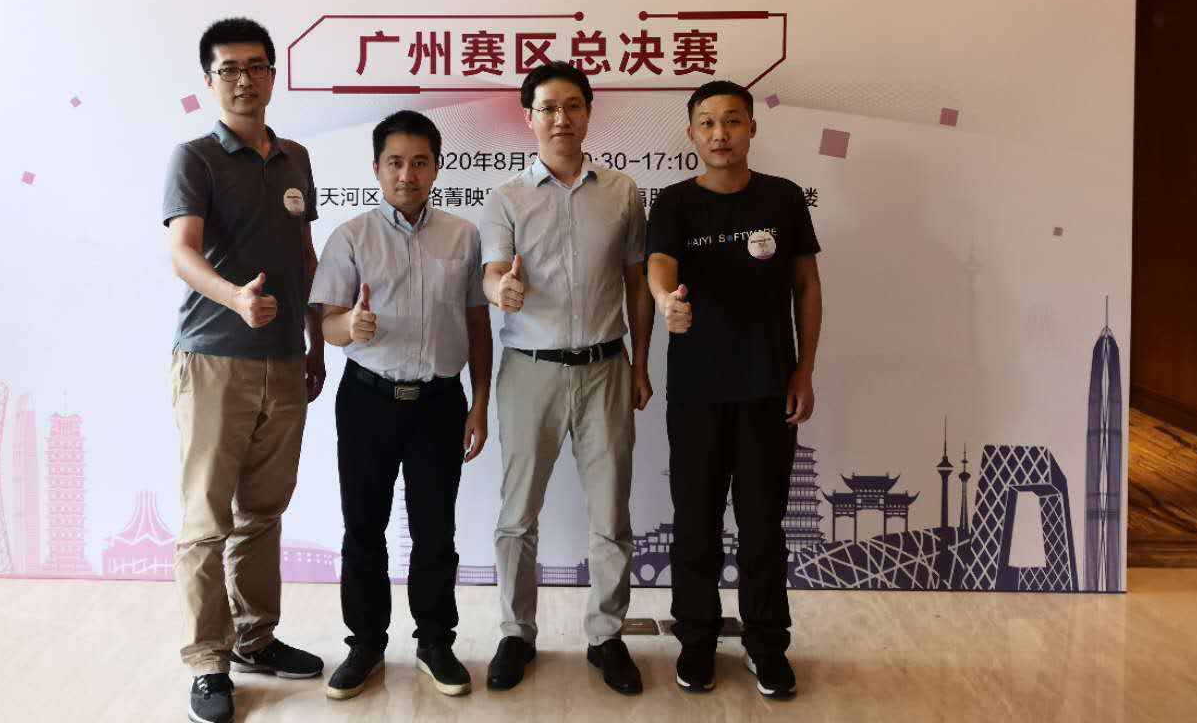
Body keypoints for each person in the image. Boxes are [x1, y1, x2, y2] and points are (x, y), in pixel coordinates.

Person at [163, 17, 327, 723]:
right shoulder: (195, 157)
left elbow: (306, 257)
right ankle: (208, 662)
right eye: (228, 68)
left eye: (256, 66)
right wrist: (234, 297)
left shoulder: (295, 158)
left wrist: (317, 342)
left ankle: (255, 640)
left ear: (273, 75)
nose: (244, 79)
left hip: (284, 361)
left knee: (263, 512)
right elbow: (182, 250)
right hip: (213, 359)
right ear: (209, 81)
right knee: (207, 518)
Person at [645, 79, 823, 700]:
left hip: (767, 388)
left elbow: (807, 286)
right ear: (691, 133)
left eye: (732, 121)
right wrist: (666, 300)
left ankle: (766, 646)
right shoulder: (673, 203)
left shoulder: (783, 198)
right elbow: (660, 265)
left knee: (763, 526)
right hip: (696, 392)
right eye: (707, 123)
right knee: (695, 524)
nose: (720, 134)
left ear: (751, 127)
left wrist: (804, 370)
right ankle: (696, 641)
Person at [480, 61, 654, 696]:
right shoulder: (506, 197)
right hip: (531, 371)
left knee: (611, 512)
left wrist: (641, 362)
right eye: (548, 107)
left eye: (573, 106)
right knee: (517, 514)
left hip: (607, 367)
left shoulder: (623, 192)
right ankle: (516, 632)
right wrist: (501, 290)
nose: (561, 118)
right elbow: (492, 273)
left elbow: (637, 282)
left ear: (588, 113)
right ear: (528, 117)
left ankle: (606, 636)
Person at [309, 110, 492, 700]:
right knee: (364, 526)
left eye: (418, 162)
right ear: (376, 169)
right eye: (395, 162)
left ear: (436, 167)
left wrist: (480, 402)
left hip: (439, 403)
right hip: (368, 400)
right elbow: (327, 323)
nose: (406, 174)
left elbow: (477, 323)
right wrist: (350, 327)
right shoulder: (350, 237)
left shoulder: (463, 236)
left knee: (436, 530)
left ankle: (435, 642)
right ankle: (365, 644)